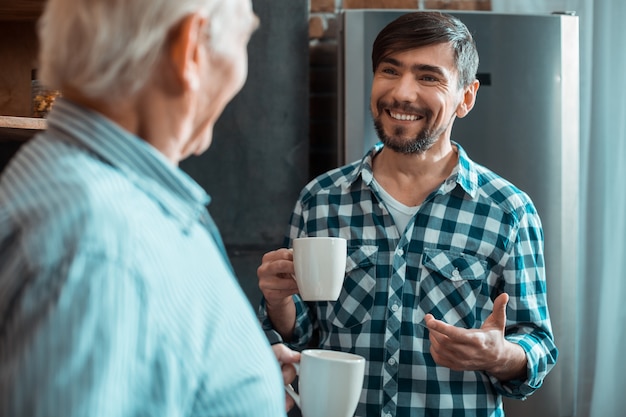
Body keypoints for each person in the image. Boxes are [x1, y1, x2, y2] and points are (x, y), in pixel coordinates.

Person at [0, 0, 298, 415]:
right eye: (244, 37)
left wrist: (231, 377)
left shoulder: (85, 192)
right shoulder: (101, 248)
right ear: (190, 48)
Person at [257, 11, 558, 417]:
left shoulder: (508, 211)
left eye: (428, 77)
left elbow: (537, 344)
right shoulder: (320, 199)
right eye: (389, 70)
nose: (402, 92)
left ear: (465, 98)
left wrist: (500, 354)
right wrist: (279, 304)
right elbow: (300, 341)